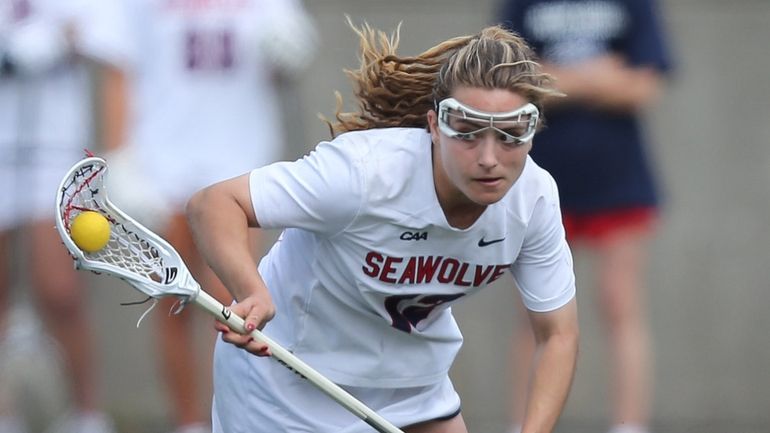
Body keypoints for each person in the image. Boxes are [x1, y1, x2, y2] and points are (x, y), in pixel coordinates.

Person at [185, 21, 579, 433]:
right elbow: (213, 203)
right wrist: (250, 289)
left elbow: (558, 335)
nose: (488, 158)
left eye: (510, 135)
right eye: (467, 131)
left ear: (532, 135)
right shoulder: (364, 173)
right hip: (285, 381)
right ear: (434, 126)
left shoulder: (533, 200)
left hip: (413, 389)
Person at [86, 1, 318, 432]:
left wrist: (292, 47)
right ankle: (189, 421)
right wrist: (120, 157)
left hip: (240, 161)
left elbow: (283, 52)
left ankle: (237, 418)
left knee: (237, 299)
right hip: (162, 160)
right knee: (171, 299)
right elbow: (119, 69)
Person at [496, 1, 673, 433]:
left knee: (620, 302)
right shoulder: (523, 5)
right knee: (534, 313)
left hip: (618, 179)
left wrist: (558, 79)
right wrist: (600, 76)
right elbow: (508, 85)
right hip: (541, 178)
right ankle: (525, 424)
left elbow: (645, 86)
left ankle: (630, 425)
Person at [0, 1, 117, 432]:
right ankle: (6, 412)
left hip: (51, 144)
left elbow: (100, 27)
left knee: (58, 289)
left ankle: (87, 414)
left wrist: (53, 39)